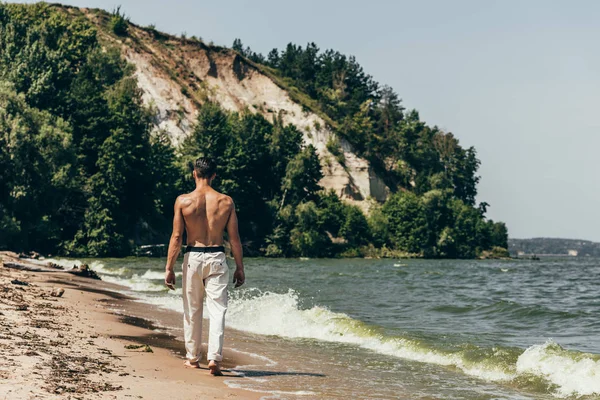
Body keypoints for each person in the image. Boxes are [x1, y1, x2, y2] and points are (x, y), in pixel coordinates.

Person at [164, 157, 245, 376]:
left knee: (192, 309)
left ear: (194, 173)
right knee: (218, 309)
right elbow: (235, 239)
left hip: (193, 257)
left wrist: (169, 267)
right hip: (217, 256)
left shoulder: (183, 201)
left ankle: (192, 358)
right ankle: (215, 359)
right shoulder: (226, 202)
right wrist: (240, 267)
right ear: (214, 175)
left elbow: (177, 237)